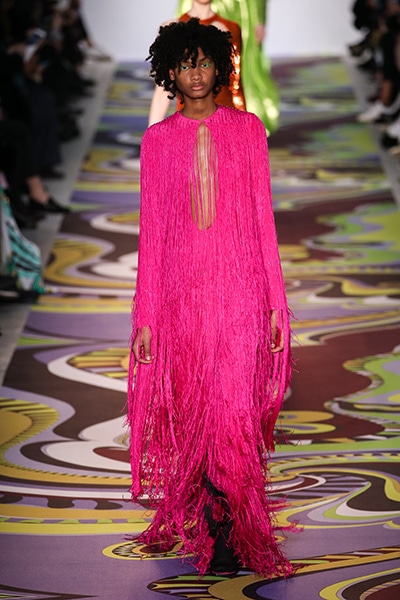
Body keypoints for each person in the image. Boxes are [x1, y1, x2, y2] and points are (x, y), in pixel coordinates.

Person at [127, 18, 294, 578]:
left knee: (234, 411)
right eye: (185, 64)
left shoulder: (247, 131)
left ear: (220, 67)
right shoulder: (157, 142)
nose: (195, 73)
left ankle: (232, 520)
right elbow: (151, 233)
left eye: (203, 63)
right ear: (169, 73)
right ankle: (212, 520)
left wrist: (275, 302)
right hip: (181, 299)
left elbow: (264, 221)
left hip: (241, 292)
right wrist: (146, 316)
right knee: (194, 409)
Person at [178, 0, 280, 133]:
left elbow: (235, 81)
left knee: (236, 70)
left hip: (240, 9)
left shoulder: (229, 27)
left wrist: (259, 17)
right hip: (219, 8)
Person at [148, 0, 245, 126]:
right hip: (189, 120)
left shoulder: (231, 28)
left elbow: (235, 83)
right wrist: (152, 132)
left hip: (225, 120)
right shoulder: (171, 30)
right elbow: (163, 88)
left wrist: (244, 126)